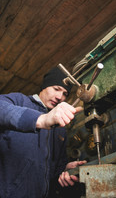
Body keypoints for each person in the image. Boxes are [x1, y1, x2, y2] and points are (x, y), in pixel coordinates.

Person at [0, 67, 86, 198]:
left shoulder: (60, 129)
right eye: (56, 89)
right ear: (44, 86)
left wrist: (65, 171)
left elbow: (55, 170)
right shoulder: (19, 101)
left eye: (65, 94)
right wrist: (42, 119)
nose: (59, 97)